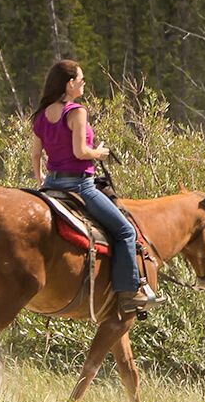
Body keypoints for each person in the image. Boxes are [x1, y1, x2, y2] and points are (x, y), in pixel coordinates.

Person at [30, 59, 156, 320]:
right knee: (124, 231)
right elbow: (80, 152)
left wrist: (41, 177)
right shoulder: (76, 112)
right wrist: (98, 153)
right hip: (79, 185)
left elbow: (35, 154)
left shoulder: (41, 114)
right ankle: (128, 292)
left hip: (52, 184)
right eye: (81, 78)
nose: (84, 83)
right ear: (70, 83)